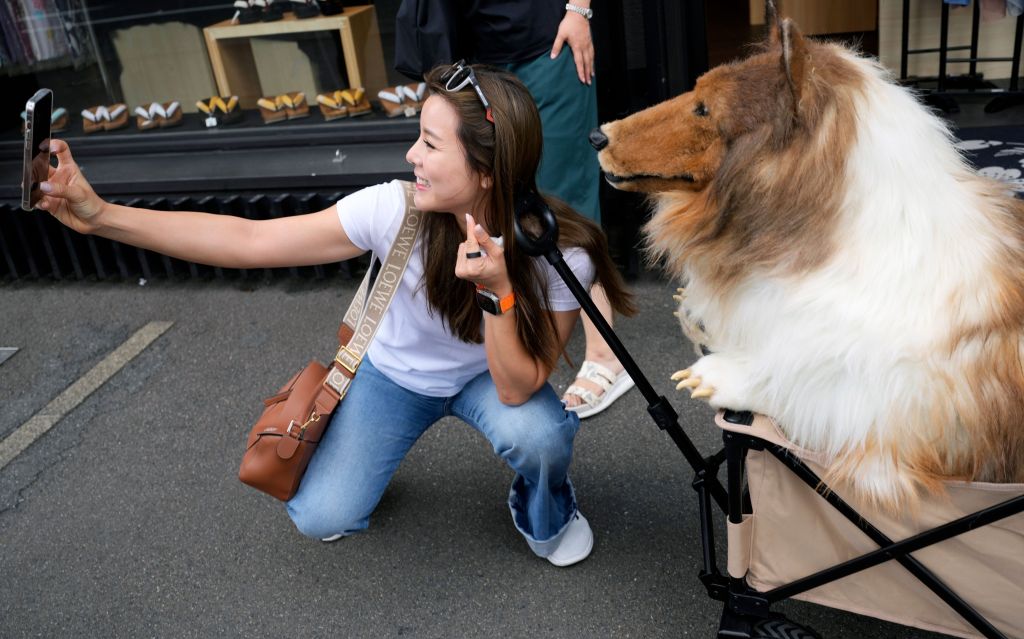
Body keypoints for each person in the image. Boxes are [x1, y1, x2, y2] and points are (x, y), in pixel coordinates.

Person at [36, 63, 633, 567]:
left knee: (543, 435)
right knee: (321, 516)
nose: (411, 154)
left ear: (485, 170)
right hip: (391, 378)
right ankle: (369, 458)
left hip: (489, 380)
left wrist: (498, 291)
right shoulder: (392, 210)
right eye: (417, 137)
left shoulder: (559, 251)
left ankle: (544, 507)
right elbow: (251, 242)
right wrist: (102, 216)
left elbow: (519, 385)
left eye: (429, 142)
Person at [459, 0, 636, 419]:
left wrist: (578, 9)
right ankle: (516, 334)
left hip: (548, 42)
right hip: (478, 51)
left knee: (568, 203)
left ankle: (605, 353)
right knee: (500, 193)